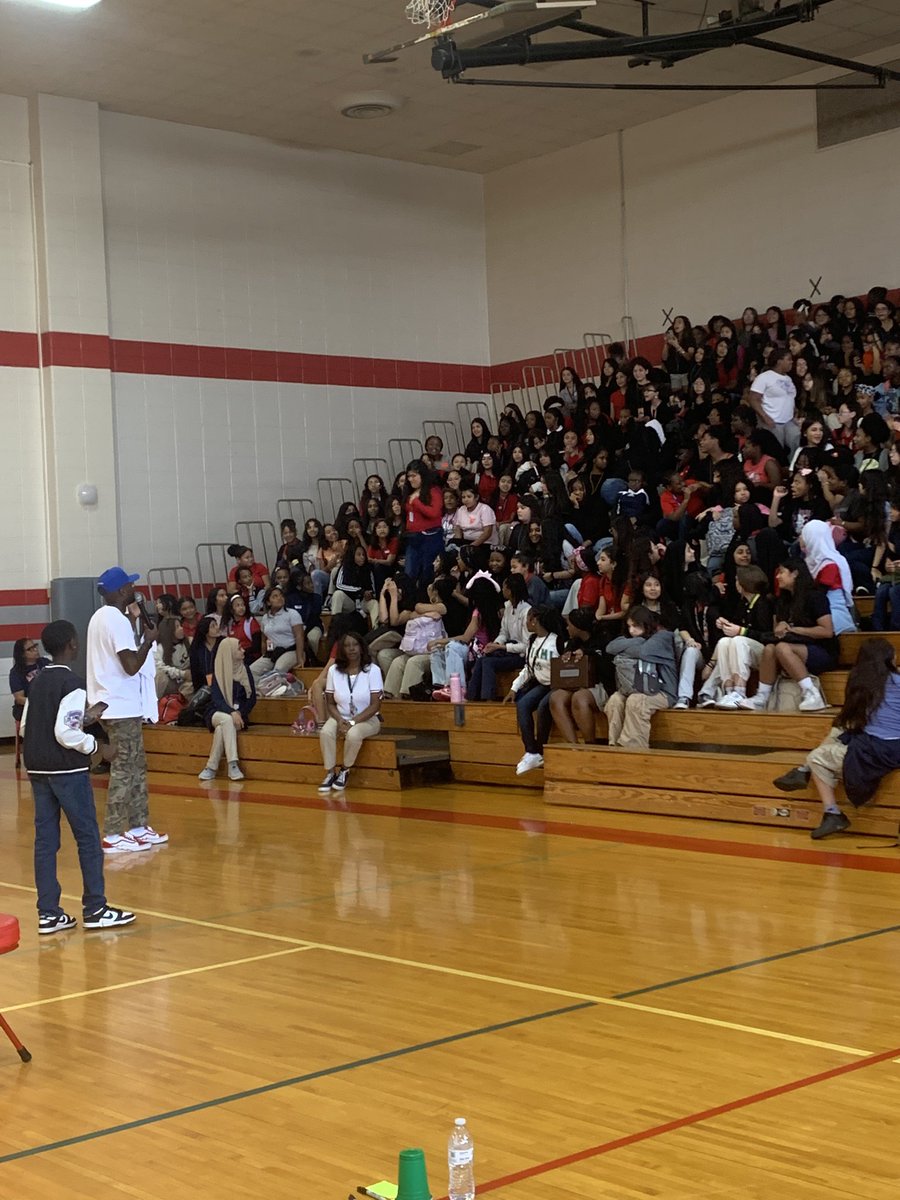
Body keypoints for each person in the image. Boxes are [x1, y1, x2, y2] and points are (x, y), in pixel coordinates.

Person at [21, 619, 136, 933]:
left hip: (38, 769)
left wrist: (82, 719)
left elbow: (26, 727)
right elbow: (64, 732)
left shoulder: (38, 681)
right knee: (87, 839)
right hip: (67, 771)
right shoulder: (72, 683)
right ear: (72, 644)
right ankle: (96, 908)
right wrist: (98, 747)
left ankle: (49, 914)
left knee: (45, 843)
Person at [773, 639, 900, 839]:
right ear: (890, 658)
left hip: (879, 750)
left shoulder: (859, 681)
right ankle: (802, 771)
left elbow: (852, 718)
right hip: (894, 745)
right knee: (841, 729)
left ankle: (831, 811)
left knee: (817, 757)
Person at [86, 567, 168, 853]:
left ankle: (138, 827)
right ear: (121, 591)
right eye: (130, 585)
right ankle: (112, 832)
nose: (134, 588)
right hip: (120, 705)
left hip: (110, 704)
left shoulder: (98, 618)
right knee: (124, 767)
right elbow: (131, 666)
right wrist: (148, 640)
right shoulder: (117, 620)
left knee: (135, 766)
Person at [738, 560, 836, 712]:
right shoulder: (782, 601)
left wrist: (793, 629)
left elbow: (827, 631)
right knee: (770, 648)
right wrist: (780, 628)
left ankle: (811, 693)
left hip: (821, 649)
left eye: (782, 572)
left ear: (795, 573)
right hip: (792, 646)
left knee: (782, 648)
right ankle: (762, 697)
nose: (777, 577)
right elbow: (777, 633)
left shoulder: (815, 597)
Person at [318, 632, 383, 793]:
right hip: (340, 715)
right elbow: (330, 702)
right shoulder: (334, 671)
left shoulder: (373, 670)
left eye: (355, 645)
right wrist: (340, 720)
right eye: (347, 646)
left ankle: (345, 770)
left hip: (367, 719)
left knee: (353, 734)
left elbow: (375, 705)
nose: (351, 649)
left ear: (361, 648)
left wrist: (353, 722)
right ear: (342, 650)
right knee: (326, 732)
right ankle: (330, 772)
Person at [604, 606, 677, 749]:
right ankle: (614, 746)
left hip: (662, 692)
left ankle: (633, 748)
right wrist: (639, 640)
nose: (631, 631)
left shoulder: (663, 637)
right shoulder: (634, 639)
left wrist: (626, 649)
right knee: (615, 700)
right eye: (629, 626)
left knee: (637, 700)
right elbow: (610, 648)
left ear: (646, 623)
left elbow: (644, 652)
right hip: (633, 688)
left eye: (636, 626)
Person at [505, 605, 562, 775]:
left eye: (527, 618)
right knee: (522, 705)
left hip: (557, 686)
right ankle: (531, 751)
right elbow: (528, 669)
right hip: (541, 684)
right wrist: (514, 688)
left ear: (534, 620)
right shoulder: (531, 641)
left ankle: (540, 750)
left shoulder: (557, 641)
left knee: (545, 706)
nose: (525, 622)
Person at [198, 637, 256, 782]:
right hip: (217, 712)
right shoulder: (218, 669)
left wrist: (240, 713)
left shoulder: (245, 669)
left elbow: (252, 699)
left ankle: (211, 767)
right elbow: (217, 699)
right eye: (239, 648)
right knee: (227, 719)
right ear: (228, 652)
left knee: (222, 729)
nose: (243, 650)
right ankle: (233, 764)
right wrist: (232, 712)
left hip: (238, 716)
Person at [467, 573, 531, 701]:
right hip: (507, 650)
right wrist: (494, 644)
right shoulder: (507, 607)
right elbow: (503, 633)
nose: (502, 590)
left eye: (504, 588)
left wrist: (501, 646)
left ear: (510, 590)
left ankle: (489, 698)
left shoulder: (527, 611)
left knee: (488, 662)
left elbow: (526, 646)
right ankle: (471, 697)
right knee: (482, 659)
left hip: (520, 655)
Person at [548, 607, 608, 744]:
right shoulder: (573, 641)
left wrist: (587, 653)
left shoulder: (603, 638)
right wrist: (567, 656)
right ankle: (574, 747)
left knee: (579, 698)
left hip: (601, 683)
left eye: (569, 625)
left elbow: (606, 665)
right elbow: (567, 659)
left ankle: (590, 745)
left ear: (579, 627)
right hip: (576, 682)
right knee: (555, 698)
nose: (567, 628)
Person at [748, 348, 799, 453]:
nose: (791, 362)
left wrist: (794, 413)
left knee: (796, 438)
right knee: (776, 449)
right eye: (788, 359)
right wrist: (765, 417)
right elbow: (753, 399)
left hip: (788, 421)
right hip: (772, 421)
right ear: (779, 361)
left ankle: (792, 466)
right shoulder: (764, 378)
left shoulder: (789, 379)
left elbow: (789, 398)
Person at [251, 586, 306, 679]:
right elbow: (264, 640)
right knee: (251, 671)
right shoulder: (265, 618)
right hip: (273, 652)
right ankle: (261, 691)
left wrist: (300, 657)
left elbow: (299, 636)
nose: (279, 598)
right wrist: (264, 656)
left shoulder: (292, 614)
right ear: (268, 602)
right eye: (275, 596)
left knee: (278, 670)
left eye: (281, 595)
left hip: (292, 651)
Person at [9, 636, 49, 731]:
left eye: (35, 646)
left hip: (47, 703)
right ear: (22, 654)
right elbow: (19, 699)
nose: (35, 650)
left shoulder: (45, 663)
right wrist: (38, 702)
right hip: (27, 707)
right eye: (30, 649)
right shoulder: (16, 672)